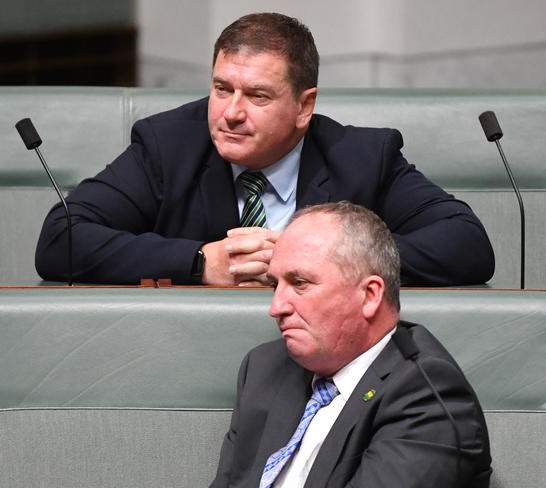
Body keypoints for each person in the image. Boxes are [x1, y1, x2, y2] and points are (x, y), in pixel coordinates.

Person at [35, 12, 494, 287]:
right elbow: (62, 239)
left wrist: (321, 260)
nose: (231, 113)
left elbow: (467, 244)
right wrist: (198, 263)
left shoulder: (362, 156)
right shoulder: (167, 144)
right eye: (221, 89)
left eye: (257, 96)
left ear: (303, 105)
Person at [209, 201, 491, 488]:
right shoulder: (264, 367)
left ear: (369, 295)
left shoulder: (429, 396)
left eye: (300, 283)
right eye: (274, 285)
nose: (276, 307)